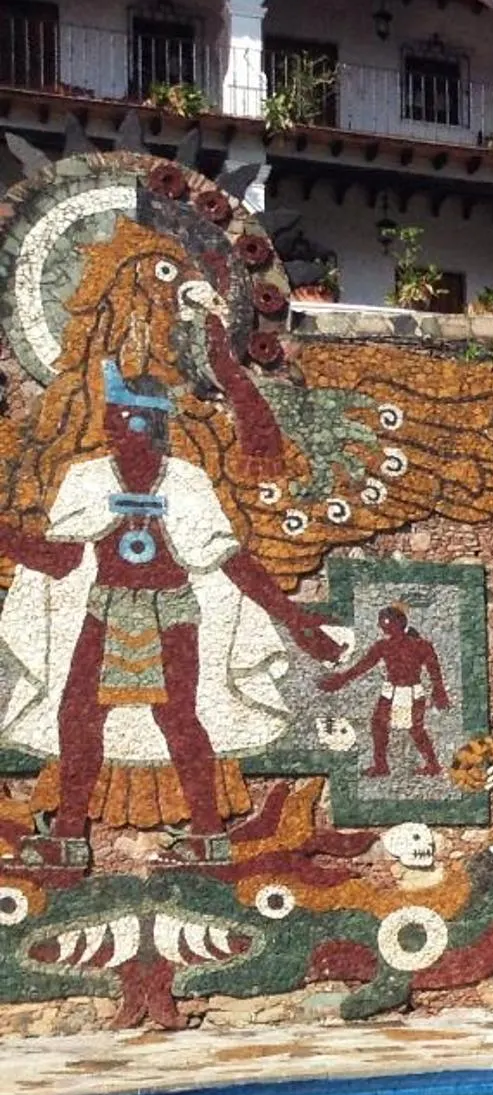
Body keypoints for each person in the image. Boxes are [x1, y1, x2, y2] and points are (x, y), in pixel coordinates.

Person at [0, 365, 340, 868]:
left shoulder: (185, 482)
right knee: (79, 714)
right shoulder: (88, 479)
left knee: (177, 717)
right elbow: (63, 560)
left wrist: (293, 618)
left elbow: (230, 559)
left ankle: (206, 833)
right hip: (107, 607)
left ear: (146, 422)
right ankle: (70, 832)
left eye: (120, 417)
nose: (110, 428)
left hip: (172, 612)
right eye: (110, 418)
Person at [317, 604, 449, 777]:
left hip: (410, 692)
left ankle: (432, 765)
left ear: (397, 624)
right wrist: (342, 679)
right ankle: (382, 766)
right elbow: (363, 665)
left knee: (415, 729)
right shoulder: (386, 646)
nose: (383, 627)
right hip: (391, 691)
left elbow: (434, 670)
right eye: (382, 623)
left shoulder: (417, 646)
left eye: (386, 623)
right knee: (379, 725)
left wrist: (439, 691)